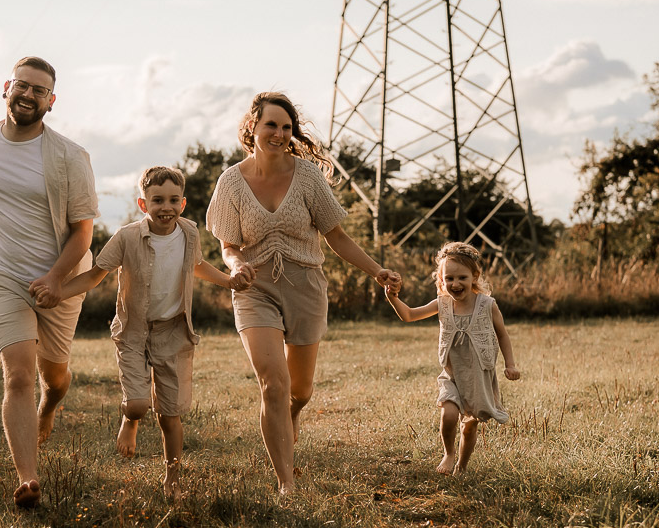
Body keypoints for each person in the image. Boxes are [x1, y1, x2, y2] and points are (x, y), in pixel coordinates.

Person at [205, 91, 400, 495]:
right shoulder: (231, 182)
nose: (279, 133)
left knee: (300, 391)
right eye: (271, 125)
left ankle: (293, 411)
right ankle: (286, 482)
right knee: (272, 384)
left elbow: (337, 237)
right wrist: (236, 265)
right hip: (254, 288)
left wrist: (376, 270)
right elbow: (227, 245)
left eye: (286, 127)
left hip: (306, 286)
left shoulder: (308, 176)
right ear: (252, 128)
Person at [47, 165, 254, 494]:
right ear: (143, 204)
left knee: (170, 413)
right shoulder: (127, 237)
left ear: (183, 204)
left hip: (173, 331)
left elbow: (197, 265)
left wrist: (228, 280)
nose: (166, 207)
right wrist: (59, 290)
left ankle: (173, 476)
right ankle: (130, 419)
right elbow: (93, 276)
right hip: (133, 331)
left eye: (173, 200)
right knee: (139, 404)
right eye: (157, 200)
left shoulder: (189, 233)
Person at [0, 56, 99, 509]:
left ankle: (51, 404)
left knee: (53, 376)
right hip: (0, 274)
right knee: (17, 373)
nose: (28, 95)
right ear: (6, 87)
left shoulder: (70, 157)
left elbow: (83, 231)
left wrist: (56, 279)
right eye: (22, 86)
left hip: (58, 281)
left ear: (50, 101)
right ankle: (28, 479)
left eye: (39, 91)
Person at [383, 241, 520, 475]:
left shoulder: (487, 305)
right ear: (442, 280)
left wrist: (510, 364)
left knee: (469, 427)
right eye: (449, 279)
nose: (455, 284)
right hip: (452, 374)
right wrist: (393, 298)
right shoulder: (442, 304)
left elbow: (503, 335)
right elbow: (408, 315)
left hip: (478, 376)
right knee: (448, 414)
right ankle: (449, 453)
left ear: (474, 277)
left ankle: (462, 467)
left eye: (462, 278)